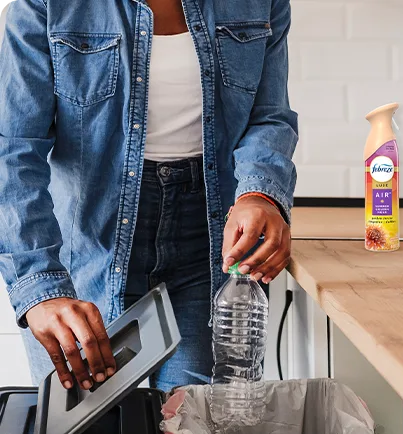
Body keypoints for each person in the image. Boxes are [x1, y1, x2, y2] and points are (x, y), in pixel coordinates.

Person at [0, 0, 297, 392]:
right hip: (90, 247)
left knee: (193, 432)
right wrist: (41, 288)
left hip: (208, 249)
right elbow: (14, 149)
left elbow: (268, 114)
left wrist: (260, 194)